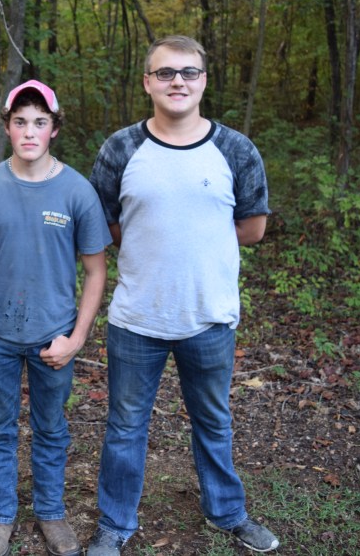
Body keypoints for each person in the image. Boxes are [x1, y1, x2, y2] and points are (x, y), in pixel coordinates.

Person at [86, 35, 278, 554]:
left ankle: (227, 512)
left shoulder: (235, 149)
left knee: (214, 421)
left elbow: (253, 227)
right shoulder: (121, 148)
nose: (178, 81)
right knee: (125, 427)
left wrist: (198, 235)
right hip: (136, 318)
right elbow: (106, 224)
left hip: (210, 315)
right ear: (148, 81)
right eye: (166, 72)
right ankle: (115, 524)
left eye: (188, 72)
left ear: (203, 81)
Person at [0, 80, 110, 556]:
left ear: (54, 129)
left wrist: (77, 337)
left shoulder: (77, 191)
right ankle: (1, 518)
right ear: (7, 126)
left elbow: (95, 270)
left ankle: (51, 512)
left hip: (54, 333)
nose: (30, 131)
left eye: (40, 122)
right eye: (20, 121)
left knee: (51, 427)